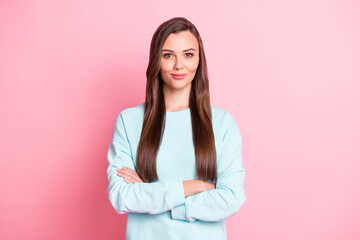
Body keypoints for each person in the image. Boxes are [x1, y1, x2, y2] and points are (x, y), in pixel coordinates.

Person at [106, 17, 246, 240]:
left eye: (188, 54)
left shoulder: (222, 123)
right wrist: (193, 187)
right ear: (156, 60)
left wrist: (154, 197)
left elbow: (230, 199)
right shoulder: (129, 121)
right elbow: (122, 196)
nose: (179, 65)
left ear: (199, 60)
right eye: (168, 55)